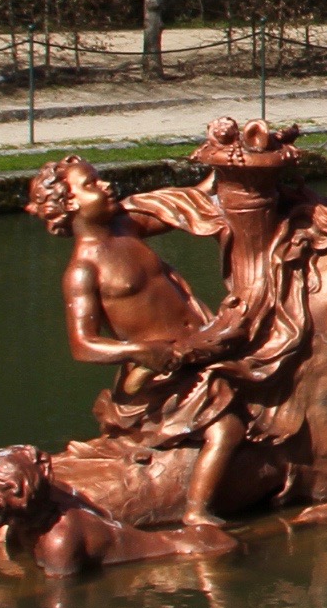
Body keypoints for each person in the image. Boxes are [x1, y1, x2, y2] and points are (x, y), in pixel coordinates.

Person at [29, 155, 244, 527]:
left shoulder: (126, 227)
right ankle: (197, 510)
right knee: (227, 429)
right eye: (92, 184)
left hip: (202, 347)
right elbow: (83, 345)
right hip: (162, 373)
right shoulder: (83, 270)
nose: (107, 185)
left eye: (100, 178)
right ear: (69, 205)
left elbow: (179, 206)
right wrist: (141, 351)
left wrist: (222, 176)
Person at [0, 444, 233, 577]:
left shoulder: (60, 540)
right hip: (192, 541)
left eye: (2, 493)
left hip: (195, 550)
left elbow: (55, 594)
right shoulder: (45, 494)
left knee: (200, 548)